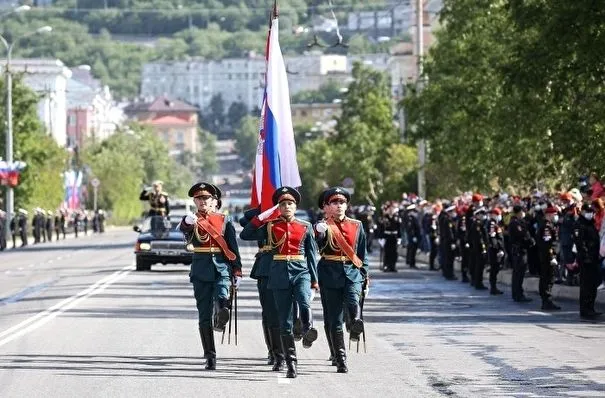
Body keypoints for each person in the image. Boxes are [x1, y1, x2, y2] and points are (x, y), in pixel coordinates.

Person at [240, 186, 319, 379]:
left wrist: (315, 281)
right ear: (278, 207)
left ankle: (308, 327)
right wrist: (261, 215)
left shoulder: (305, 226)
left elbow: (311, 255)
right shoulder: (270, 226)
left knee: (303, 301)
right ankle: (290, 362)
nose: (286, 206)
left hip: (300, 272)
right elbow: (245, 234)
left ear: (295, 206)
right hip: (278, 274)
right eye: (282, 204)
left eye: (290, 203)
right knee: (283, 321)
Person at [179, 182, 242, 371]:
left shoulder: (224, 220)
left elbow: (232, 247)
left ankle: (222, 313)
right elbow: (184, 230)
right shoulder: (191, 219)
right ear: (194, 201)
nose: (202, 201)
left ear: (213, 200)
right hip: (200, 270)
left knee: (223, 295)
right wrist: (187, 223)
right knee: (204, 315)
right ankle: (210, 355)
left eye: (206, 198)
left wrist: (237, 270)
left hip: (221, 267)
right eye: (199, 198)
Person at [315, 187, 368, 374]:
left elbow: (362, 254)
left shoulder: (357, 225)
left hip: (352, 272)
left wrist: (365, 277)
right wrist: (319, 233)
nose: (339, 206)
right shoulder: (322, 226)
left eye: (342, 202)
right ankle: (340, 357)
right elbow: (316, 247)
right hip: (329, 273)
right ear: (326, 207)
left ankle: (355, 321)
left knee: (353, 300)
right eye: (335, 203)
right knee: (334, 319)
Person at [239, 206, 285, 371]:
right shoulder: (264, 212)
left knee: (287, 313)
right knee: (270, 313)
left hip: (290, 267)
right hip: (266, 267)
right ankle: (275, 351)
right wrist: (262, 212)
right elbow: (243, 225)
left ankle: (286, 349)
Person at [573, 203, 602, 319]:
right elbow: (580, 243)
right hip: (586, 259)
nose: (591, 213)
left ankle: (591, 308)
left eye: (592, 211)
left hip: (594, 258)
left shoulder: (590, 224)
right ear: (583, 211)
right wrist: (586, 256)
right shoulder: (579, 225)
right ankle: (585, 310)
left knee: (592, 285)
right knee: (586, 285)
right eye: (589, 211)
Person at [508, 205, 535, 302]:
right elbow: (522, 235)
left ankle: (518, 293)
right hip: (519, 251)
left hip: (520, 250)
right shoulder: (515, 223)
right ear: (519, 212)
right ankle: (518, 294)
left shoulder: (518, 222)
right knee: (518, 274)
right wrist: (530, 241)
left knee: (519, 274)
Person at [537, 205, 561, 310]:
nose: (555, 216)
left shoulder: (548, 225)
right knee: (548, 278)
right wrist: (552, 257)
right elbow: (548, 244)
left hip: (545, 256)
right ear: (549, 215)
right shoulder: (547, 227)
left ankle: (546, 300)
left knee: (546, 278)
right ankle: (547, 300)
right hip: (548, 256)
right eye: (554, 214)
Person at [487, 208, 505, 295]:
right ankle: (493, 288)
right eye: (498, 215)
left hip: (496, 250)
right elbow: (493, 238)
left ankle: (493, 287)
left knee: (495, 269)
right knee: (494, 269)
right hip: (495, 251)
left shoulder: (495, 223)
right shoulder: (492, 224)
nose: (499, 216)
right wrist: (498, 249)